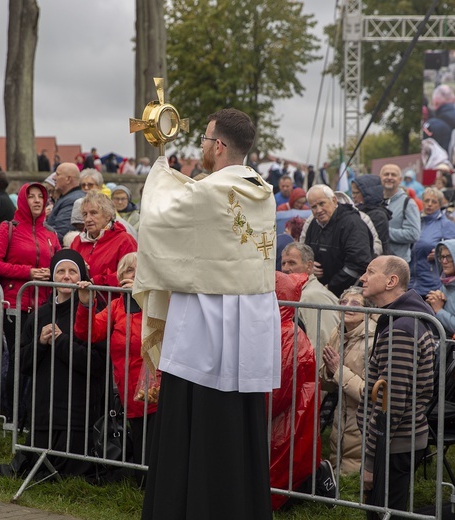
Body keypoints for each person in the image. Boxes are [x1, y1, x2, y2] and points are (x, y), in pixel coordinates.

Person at [137, 108, 280, 519]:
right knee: (239, 426)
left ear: (218, 146)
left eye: (203, 140)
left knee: (197, 423)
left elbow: (157, 221)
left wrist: (161, 170)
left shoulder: (207, 193)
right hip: (248, 326)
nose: (201, 147)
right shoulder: (263, 190)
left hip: (205, 327)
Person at [0, 249, 106, 479]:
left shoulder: (92, 313)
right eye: (61, 271)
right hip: (43, 412)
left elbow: (97, 364)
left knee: (68, 471)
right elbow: (21, 363)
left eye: (72, 272)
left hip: (77, 414)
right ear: (53, 277)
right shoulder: (40, 314)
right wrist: (39, 343)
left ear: (82, 277)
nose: (66, 277)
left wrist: (61, 341)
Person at [357, 255, 436, 515]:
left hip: (393, 444)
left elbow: (391, 404)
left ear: (391, 281)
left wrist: (371, 462)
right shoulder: (399, 319)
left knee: (384, 512)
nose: (362, 278)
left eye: (370, 272)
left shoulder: (401, 329)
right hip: (396, 442)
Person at [75, 252, 157, 472]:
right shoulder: (117, 306)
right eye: (129, 270)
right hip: (130, 390)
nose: (134, 274)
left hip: (158, 390)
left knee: (157, 440)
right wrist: (85, 304)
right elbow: (88, 333)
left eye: (139, 269)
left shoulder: (158, 303)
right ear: (121, 277)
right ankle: (142, 484)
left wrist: (142, 297)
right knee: (140, 439)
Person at [0, 183, 60, 421]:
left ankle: (31, 415)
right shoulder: (8, 228)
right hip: (15, 307)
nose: (37, 201)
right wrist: (27, 272)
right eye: (32, 197)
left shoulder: (51, 234)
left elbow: (57, 264)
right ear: (22, 200)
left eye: (41, 197)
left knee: (39, 360)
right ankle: (12, 416)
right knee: (18, 362)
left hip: (44, 306)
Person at [269, 271, 335, 510]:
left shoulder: (288, 335)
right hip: (291, 418)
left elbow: (278, 395)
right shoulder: (283, 331)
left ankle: (309, 487)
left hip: (287, 421)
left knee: (286, 467)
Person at [319, 286, 376, 476]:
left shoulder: (373, 340)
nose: (347, 307)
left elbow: (367, 393)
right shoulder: (338, 332)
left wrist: (337, 370)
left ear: (367, 312)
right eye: (343, 302)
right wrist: (328, 370)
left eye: (355, 303)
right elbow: (326, 383)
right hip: (341, 416)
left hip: (363, 422)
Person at [303, 185, 374, 297]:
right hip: (321, 291)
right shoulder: (313, 224)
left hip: (349, 295)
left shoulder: (352, 223)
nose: (319, 210)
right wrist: (309, 266)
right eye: (314, 207)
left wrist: (331, 286)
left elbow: (358, 263)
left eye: (322, 204)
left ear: (334, 200)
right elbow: (305, 251)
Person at [70, 191, 137, 297]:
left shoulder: (125, 241)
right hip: (81, 305)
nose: (87, 219)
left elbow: (130, 274)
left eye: (93, 213)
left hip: (112, 306)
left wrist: (96, 281)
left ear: (108, 216)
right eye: (85, 214)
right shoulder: (77, 241)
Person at [280, 242, 340, 352]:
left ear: (309, 266)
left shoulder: (311, 296)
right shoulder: (301, 293)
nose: (285, 268)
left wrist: (317, 369)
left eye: (292, 263)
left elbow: (321, 342)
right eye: (283, 263)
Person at [410, 187, 455, 298]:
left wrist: (438, 253)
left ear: (440, 204)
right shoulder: (415, 221)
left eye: (434, 202)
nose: (429, 204)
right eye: (427, 200)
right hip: (410, 283)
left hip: (431, 284)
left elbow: (452, 249)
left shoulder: (446, 224)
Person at [380, 164, 420, 264]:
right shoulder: (375, 201)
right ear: (380, 178)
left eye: (393, 175)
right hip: (377, 262)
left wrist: (385, 232)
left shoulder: (408, 203)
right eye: (386, 174)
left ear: (400, 179)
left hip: (398, 264)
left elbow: (413, 234)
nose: (389, 177)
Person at [351, 174, 392, 256]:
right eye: (352, 192)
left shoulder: (378, 216)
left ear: (368, 193)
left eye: (356, 193)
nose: (353, 196)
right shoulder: (357, 211)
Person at [45, 162, 84, 243]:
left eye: (57, 174)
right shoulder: (68, 197)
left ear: (68, 179)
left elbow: (61, 233)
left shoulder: (72, 200)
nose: (54, 178)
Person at [426, 240, 455, 336]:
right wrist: (433, 301)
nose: (444, 261)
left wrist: (439, 310)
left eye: (449, 257)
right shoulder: (446, 284)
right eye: (442, 257)